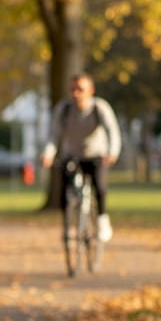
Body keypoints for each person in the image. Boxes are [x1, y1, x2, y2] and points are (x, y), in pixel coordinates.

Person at [40, 73, 122, 242]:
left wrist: (112, 152)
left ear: (91, 91)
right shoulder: (64, 109)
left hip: (97, 155)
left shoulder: (100, 108)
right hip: (72, 155)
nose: (75, 93)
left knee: (99, 186)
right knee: (63, 188)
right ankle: (68, 224)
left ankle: (102, 220)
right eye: (72, 89)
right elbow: (53, 136)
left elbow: (112, 131)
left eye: (80, 89)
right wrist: (48, 154)